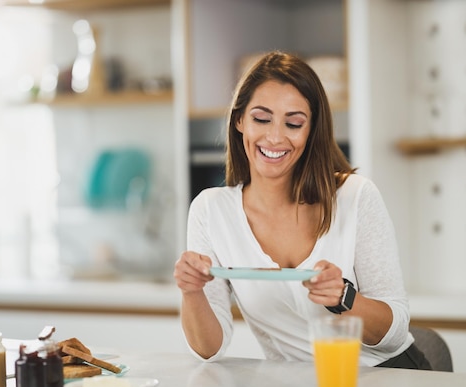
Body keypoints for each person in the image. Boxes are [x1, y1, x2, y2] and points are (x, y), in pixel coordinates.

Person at [173, 51, 431, 370]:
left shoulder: (355, 196)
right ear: (239, 120)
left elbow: (395, 335)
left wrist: (344, 298)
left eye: (293, 123)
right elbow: (209, 350)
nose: (275, 136)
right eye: (261, 118)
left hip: (385, 376)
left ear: (310, 132)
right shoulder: (211, 210)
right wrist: (192, 291)